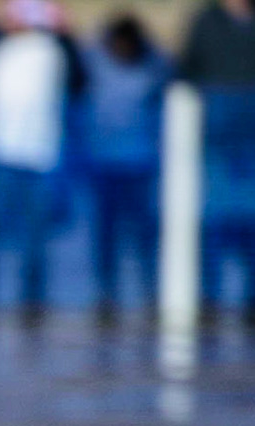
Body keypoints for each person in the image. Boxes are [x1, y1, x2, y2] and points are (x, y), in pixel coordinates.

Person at [0, 0, 87, 318]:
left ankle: (32, 307)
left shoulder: (51, 50)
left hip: (40, 158)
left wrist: (66, 33)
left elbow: (80, 81)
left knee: (35, 239)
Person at [178, 0, 255, 324]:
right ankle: (208, 298)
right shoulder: (206, 20)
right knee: (214, 220)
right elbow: (186, 74)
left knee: (253, 218)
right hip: (216, 141)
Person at [82, 13, 170, 320]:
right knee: (105, 237)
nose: (122, 49)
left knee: (145, 236)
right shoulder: (92, 60)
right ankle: (106, 298)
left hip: (141, 167)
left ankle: (152, 296)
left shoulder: (156, 64)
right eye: (117, 43)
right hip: (102, 166)